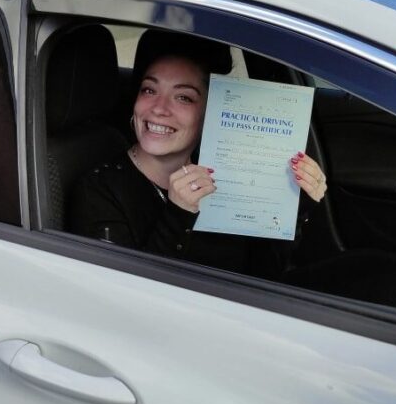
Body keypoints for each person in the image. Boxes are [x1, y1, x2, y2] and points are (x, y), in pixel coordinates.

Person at [69, 30, 327, 275]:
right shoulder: (97, 191)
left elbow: (262, 274)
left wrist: (292, 205)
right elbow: (124, 299)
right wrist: (178, 215)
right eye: (149, 90)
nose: (159, 108)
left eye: (183, 97)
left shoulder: (223, 177)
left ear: (208, 114)